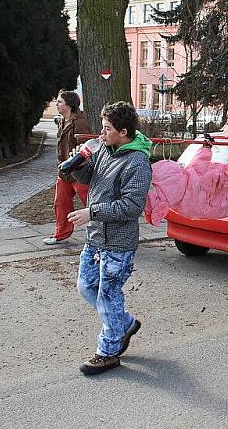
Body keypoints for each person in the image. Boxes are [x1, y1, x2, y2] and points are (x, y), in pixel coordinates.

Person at [70, 102, 153, 375]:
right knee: (85, 286)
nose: (102, 133)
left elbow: (131, 206)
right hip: (95, 238)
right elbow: (89, 175)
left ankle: (108, 351)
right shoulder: (104, 148)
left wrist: (92, 212)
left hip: (118, 242)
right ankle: (124, 324)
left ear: (124, 131)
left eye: (107, 128)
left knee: (108, 295)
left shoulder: (138, 162)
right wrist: (76, 165)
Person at [43, 90, 93, 245]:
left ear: (69, 105)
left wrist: (77, 166)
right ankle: (60, 234)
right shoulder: (63, 121)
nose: (56, 104)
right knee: (61, 203)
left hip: (79, 172)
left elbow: (87, 149)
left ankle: (105, 232)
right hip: (65, 172)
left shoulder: (80, 123)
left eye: (60, 102)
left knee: (91, 203)